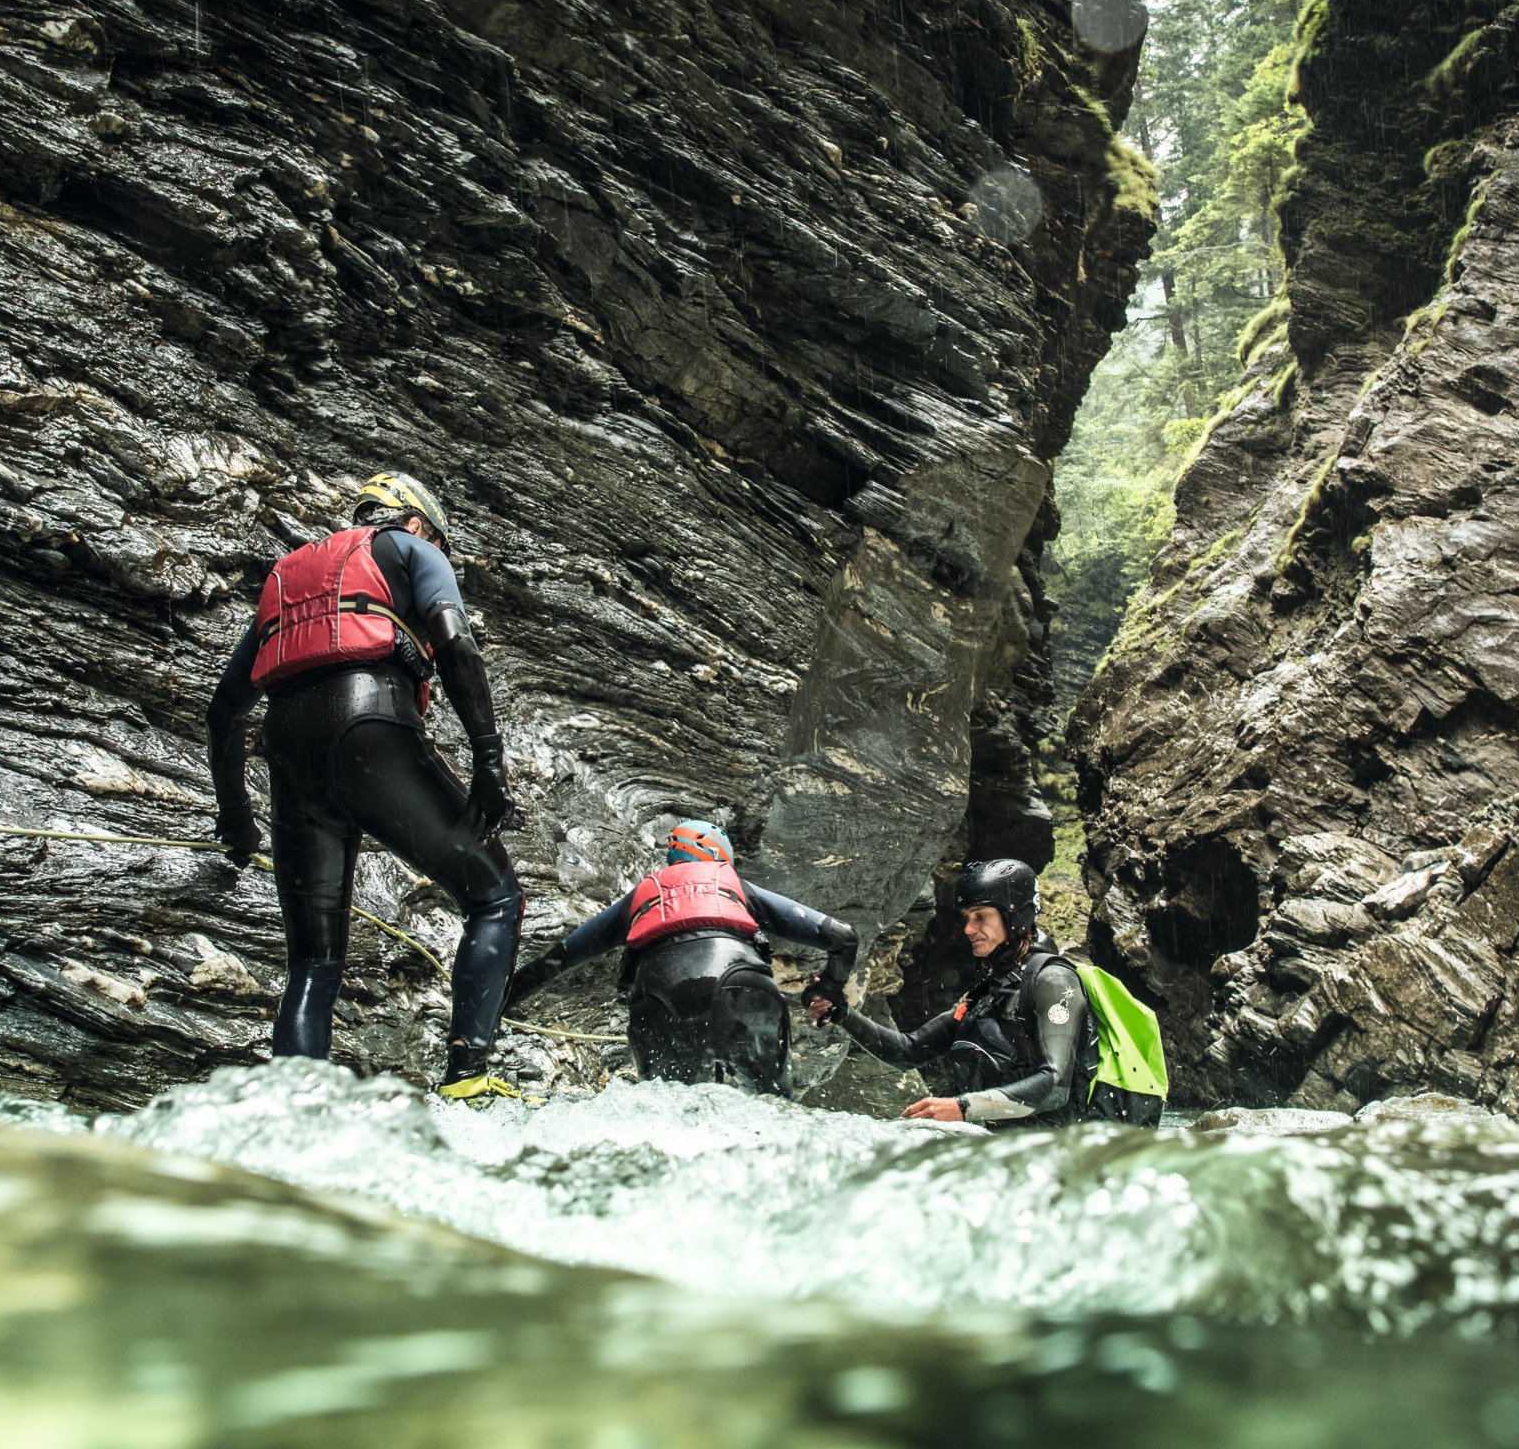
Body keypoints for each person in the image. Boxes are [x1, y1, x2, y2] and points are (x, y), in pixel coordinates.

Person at [206, 472, 526, 1101]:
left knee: (313, 961)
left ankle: (293, 1107)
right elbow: (457, 648)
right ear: (415, 521)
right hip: (369, 725)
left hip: (288, 750)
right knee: (494, 898)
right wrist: (488, 762)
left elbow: (224, 712)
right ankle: (469, 1077)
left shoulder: (285, 580)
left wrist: (238, 819)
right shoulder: (412, 549)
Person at [504, 819, 857, 1097]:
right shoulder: (735, 886)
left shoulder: (643, 895)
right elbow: (842, 936)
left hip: (657, 993)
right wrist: (830, 987)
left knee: (671, 1114)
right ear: (722, 859)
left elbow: (560, 959)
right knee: (771, 1103)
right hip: (741, 984)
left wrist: (498, 1004)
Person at [807, 858, 1092, 1126]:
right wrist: (843, 1014)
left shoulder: (1055, 980)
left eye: (981, 916)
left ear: (1016, 916)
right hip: (1004, 1153)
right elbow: (909, 1051)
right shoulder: (985, 996)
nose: (968, 929)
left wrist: (962, 1107)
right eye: (967, 917)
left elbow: (1055, 1085)